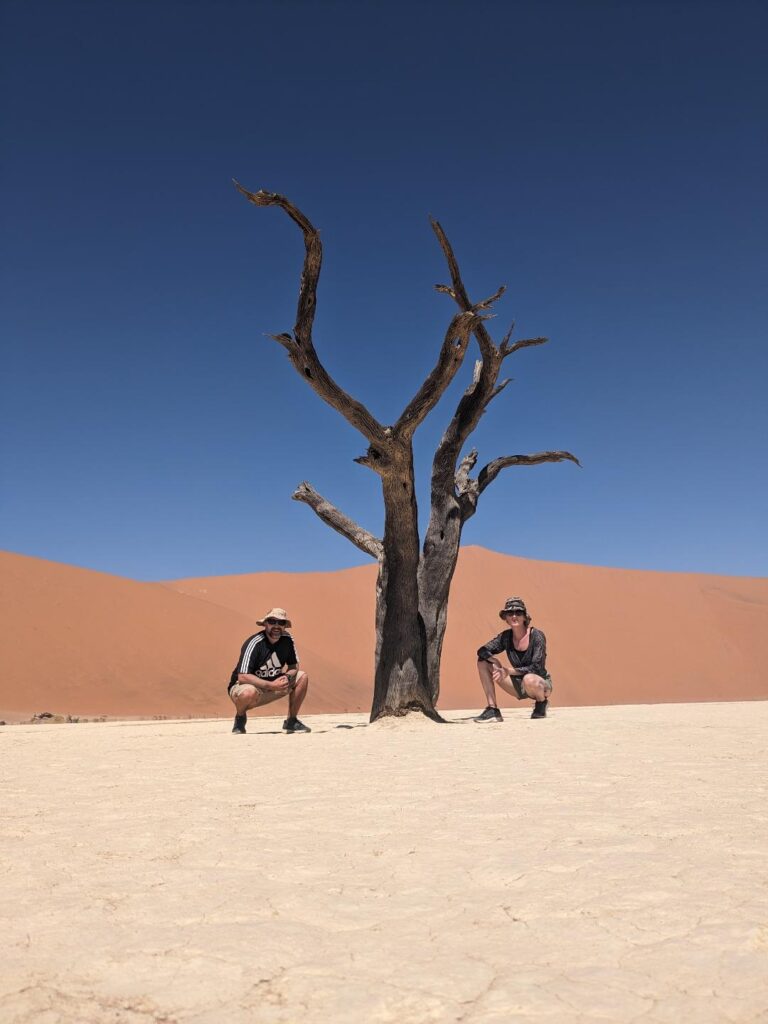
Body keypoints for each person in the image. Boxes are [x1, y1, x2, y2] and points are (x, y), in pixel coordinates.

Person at [228, 607, 311, 734]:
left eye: (281, 623)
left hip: (273, 684)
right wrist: (272, 685)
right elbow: (243, 677)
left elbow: (294, 667)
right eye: (272, 621)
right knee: (248, 693)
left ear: (285, 626)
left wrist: (287, 677)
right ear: (265, 624)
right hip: (247, 687)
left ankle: (291, 721)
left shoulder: (287, 640)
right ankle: (240, 718)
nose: (276, 626)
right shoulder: (255, 643)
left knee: (302, 677)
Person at [474, 597, 553, 722]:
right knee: (483, 661)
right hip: (517, 684)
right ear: (505, 617)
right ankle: (492, 710)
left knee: (529, 678)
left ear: (525, 617)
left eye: (518, 613)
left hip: (539, 683)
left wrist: (507, 671)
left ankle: (541, 704)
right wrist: (494, 661)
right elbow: (482, 650)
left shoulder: (537, 635)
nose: (514, 616)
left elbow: (536, 667)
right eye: (510, 613)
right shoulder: (506, 637)